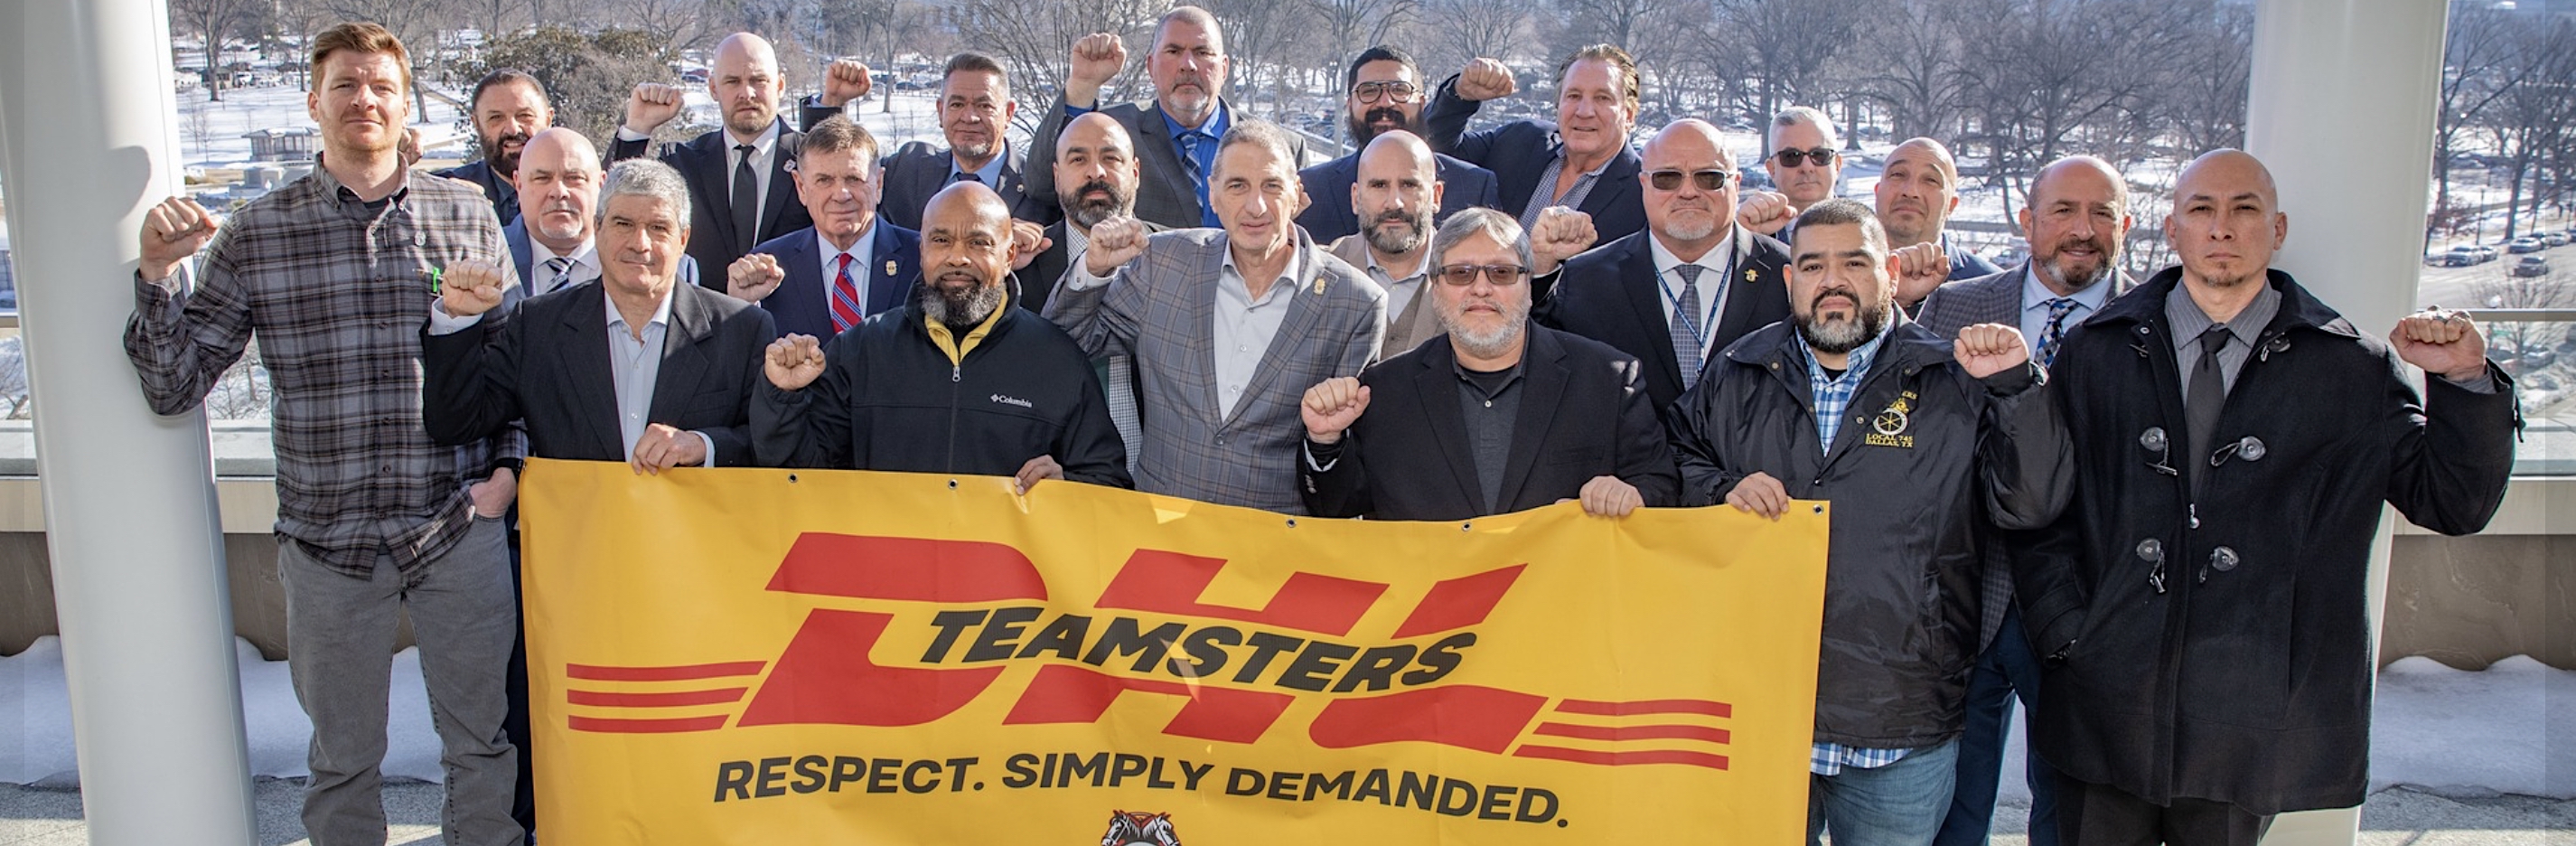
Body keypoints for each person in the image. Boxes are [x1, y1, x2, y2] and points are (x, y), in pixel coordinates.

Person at [2013, 150, 2516, 846]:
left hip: (2246, 715)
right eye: (2201, 209)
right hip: (2107, 697)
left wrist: (2463, 382)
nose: (2221, 227)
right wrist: (2065, 630)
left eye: (2243, 209)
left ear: (2276, 230)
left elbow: (2453, 503)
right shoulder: (2094, 351)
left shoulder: (2349, 367)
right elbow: (2043, 507)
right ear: (2171, 229)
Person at [125, 22, 524, 846]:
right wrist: (158, 276)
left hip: (455, 524)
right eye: (345, 85)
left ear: (406, 106)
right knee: (342, 760)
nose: (363, 100)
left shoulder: (465, 211)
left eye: (381, 87)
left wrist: (507, 475)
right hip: (326, 541)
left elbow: (515, 363)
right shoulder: (257, 232)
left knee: (482, 745)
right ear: (314, 103)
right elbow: (175, 385)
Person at [1667, 197, 2068, 846]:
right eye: (1813, 265)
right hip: (1759, 716)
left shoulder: (1956, 378)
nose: (1833, 281)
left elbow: (2030, 504)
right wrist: (1721, 488)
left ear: (1890, 272)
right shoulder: (1739, 371)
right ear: (1789, 279)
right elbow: (1674, 462)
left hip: (1899, 725)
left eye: (1854, 263)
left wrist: (2017, 391)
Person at [1916, 154, 2135, 846]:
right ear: (2027, 220)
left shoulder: (2152, 320)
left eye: (2101, 213)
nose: (2082, 229)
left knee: (2072, 813)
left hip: (2088, 606)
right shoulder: (1954, 305)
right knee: (1951, 809)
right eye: (2063, 210)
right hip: (1963, 596)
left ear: (2125, 226)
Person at [1046, 119, 1384, 513]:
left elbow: (1348, 463)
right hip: (1159, 527)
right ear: (1214, 194)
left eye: (1272, 186)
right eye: (1238, 186)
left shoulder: (1355, 302)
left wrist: (1326, 441)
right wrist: (1093, 271)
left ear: (1296, 193)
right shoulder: (1164, 262)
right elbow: (1066, 345)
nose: (1255, 206)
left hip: (1274, 538)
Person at [1298, 208, 1677, 520]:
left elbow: (1662, 485)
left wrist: (1631, 494)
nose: (1481, 288)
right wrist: (1325, 442)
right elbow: (1338, 507)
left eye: (1501, 273)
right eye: (1461, 273)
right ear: (1436, 287)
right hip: (1431, 591)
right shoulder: (1384, 390)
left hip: (1561, 589)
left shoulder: (1608, 380)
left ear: (1528, 284)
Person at [754, 182, 1130, 490]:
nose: (957, 258)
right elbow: (801, 476)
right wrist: (783, 397)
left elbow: (1108, 483)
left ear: (1009, 255)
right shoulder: (861, 350)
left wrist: (1066, 487)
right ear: (921, 251)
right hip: (887, 561)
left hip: (1003, 564)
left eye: (979, 242)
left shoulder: (1056, 358)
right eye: (941, 240)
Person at [423, 156, 773, 471]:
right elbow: (456, 424)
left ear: (683, 239)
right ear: (598, 229)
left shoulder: (741, 328)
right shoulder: (537, 326)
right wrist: (458, 319)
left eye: (658, 228)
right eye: (623, 224)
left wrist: (703, 446)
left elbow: (769, 444)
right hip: (576, 524)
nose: (640, 243)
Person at [1537, 119, 1790, 418]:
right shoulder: (1585, 279)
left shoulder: (1788, 274)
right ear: (1643, 184)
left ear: (1736, 184)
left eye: (1709, 177)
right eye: (1667, 178)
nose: (1688, 191)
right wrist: (1540, 265)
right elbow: (1537, 367)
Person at [1025, 7, 1305, 230]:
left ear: (1224, 68)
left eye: (1202, 52)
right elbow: (1042, 186)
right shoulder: (1115, 131)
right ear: (1150, 66)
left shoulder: (1281, 148)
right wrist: (1082, 88)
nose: (1188, 65)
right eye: (1173, 51)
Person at [610, 33, 814, 278]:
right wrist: (637, 129)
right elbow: (612, 209)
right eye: (732, 81)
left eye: (758, 80)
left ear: (780, 85)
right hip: (703, 303)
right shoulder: (682, 163)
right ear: (713, 88)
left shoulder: (811, 160)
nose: (746, 93)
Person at [1421, 45, 1647, 244]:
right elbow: (1435, 153)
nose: (1584, 111)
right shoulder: (1522, 141)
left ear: (1629, 114)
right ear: (1558, 105)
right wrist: (1460, 96)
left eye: (1603, 98)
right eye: (1574, 96)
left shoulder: (1645, 192)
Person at [722, 117, 921, 340]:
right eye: (824, 180)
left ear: (879, 184)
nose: (841, 195)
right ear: (801, 187)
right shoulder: (768, 265)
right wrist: (740, 307)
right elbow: (744, 355)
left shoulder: (922, 258)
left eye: (854, 179)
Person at [1293, 45, 1499, 243]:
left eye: (1400, 90)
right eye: (1369, 91)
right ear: (1350, 105)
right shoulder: (1311, 188)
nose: (1385, 102)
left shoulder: (1474, 187)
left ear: (1421, 103)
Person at [500, 127, 705, 299]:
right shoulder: (489, 256)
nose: (559, 192)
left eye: (574, 178)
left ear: (601, 184)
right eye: (542, 178)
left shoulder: (669, 266)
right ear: (518, 184)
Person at [871, 52, 1059, 230]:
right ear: (941, 111)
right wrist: (849, 98)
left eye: (984, 105)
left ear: (1008, 113)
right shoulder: (906, 169)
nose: (969, 117)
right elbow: (854, 181)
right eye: (957, 105)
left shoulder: (1042, 186)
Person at [1320, 132, 1446, 354]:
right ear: (1355, 197)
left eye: (1409, 185)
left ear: (1436, 196)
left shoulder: (1472, 278)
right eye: (1379, 185)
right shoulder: (1317, 272)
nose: (1394, 203)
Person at [1876, 137, 2003, 313]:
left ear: (1951, 205)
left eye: (1930, 180)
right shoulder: (1841, 273)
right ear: (1877, 191)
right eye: (1898, 174)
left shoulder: (1993, 288)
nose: (1910, 192)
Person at [435, 70, 551, 226]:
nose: (512, 129)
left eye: (525, 115)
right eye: (496, 118)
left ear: (548, 119)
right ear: (477, 124)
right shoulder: (447, 192)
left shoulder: (579, 192)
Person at [1734, 106, 1842, 241]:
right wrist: (1743, 241)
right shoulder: (1750, 235)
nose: (1807, 167)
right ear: (1772, 169)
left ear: (1837, 165)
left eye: (1819, 155)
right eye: (1792, 156)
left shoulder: (1863, 232)